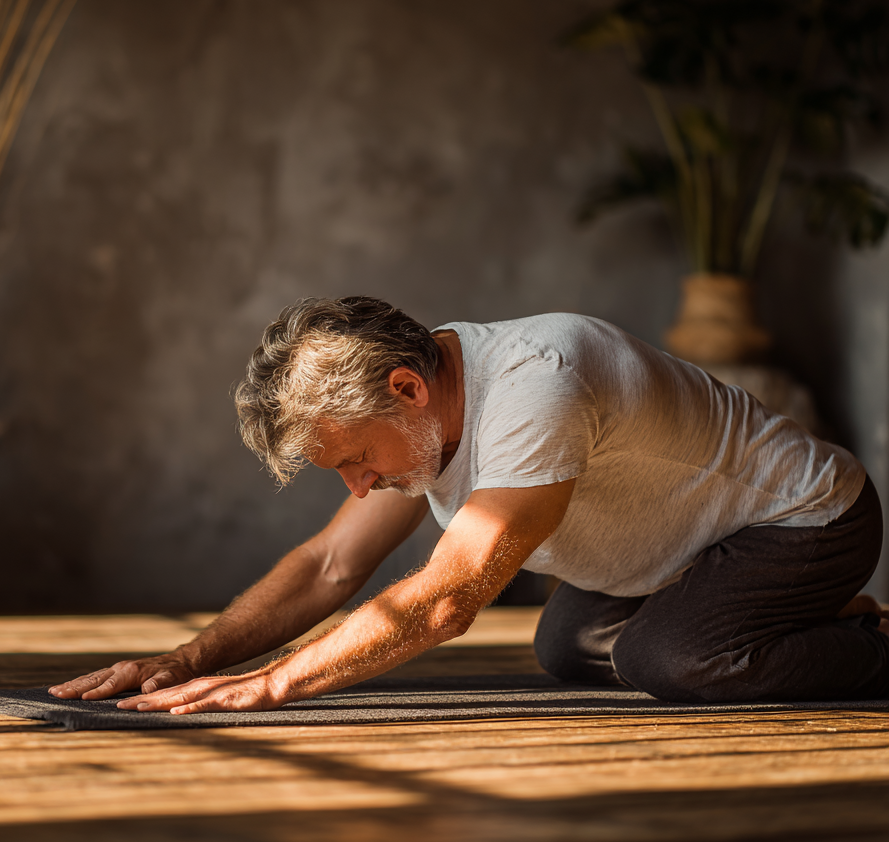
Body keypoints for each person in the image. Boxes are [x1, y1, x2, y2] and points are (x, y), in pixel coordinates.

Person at [50, 296, 889, 713]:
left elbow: (448, 599)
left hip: (800, 522)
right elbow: (330, 564)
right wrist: (192, 663)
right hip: (680, 548)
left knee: (665, 660)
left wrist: (268, 687)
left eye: (355, 461)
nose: (359, 486)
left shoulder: (535, 386)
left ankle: (871, 642)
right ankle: (783, 626)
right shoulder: (418, 426)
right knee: (565, 647)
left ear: (408, 388)